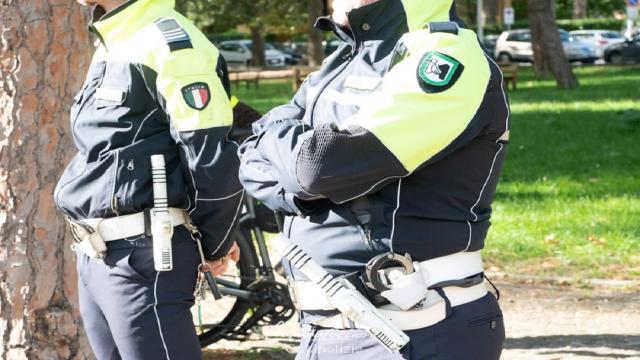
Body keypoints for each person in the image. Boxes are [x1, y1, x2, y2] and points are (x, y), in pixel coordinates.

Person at [238, 0, 509, 358]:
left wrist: (299, 171)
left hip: (410, 327)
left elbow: (318, 167)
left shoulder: (445, 54)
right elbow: (251, 154)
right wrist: (300, 193)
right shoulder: (348, 56)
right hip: (330, 328)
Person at [54, 0, 244, 358]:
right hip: (97, 256)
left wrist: (216, 242)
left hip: (144, 258)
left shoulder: (168, 40)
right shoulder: (114, 39)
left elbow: (211, 157)